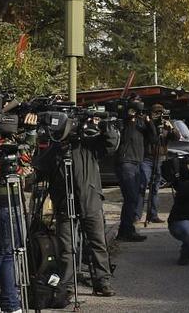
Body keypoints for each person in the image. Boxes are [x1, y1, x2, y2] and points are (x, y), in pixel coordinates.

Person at [45, 115, 120, 298]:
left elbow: (111, 144)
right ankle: (67, 285)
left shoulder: (88, 144)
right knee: (66, 247)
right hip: (64, 203)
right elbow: (41, 166)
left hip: (90, 199)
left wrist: (104, 124)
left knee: (97, 242)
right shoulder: (55, 147)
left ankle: (102, 282)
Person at [0, 111, 36, 313]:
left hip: (12, 196)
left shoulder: (11, 138)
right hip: (1, 199)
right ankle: (10, 302)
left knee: (6, 250)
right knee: (6, 251)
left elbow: (26, 164)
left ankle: (8, 300)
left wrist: (30, 132)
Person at [115, 96, 156, 242]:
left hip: (137, 162)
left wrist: (149, 121)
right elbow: (126, 123)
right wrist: (133, 110)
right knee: (131, 197)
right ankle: (125, 231)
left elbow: (153, 138)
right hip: (126, 162)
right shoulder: (125, 120)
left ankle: (126, 230)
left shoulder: (140, 123)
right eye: (137, 103)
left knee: (137, 195)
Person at [136, 103, 180, 224]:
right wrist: (150, 123)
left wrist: (171, 128)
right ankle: (137, 215)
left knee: (155, 188)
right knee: (142, 185)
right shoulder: (146, 123)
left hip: (160, 158)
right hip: (147, 158)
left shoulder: (166, 124)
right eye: (155, 113)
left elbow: (177, 137)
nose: (158, 115)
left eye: (160, 113)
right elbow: (150, 137)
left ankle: (153, 215)